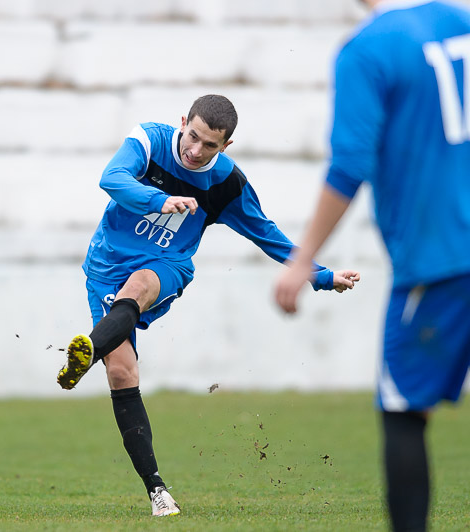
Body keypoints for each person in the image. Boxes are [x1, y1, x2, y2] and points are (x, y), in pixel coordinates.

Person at [56, 94, 360, 517]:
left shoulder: (227, 183)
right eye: (192, 137)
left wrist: (322, 276)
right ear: (183, 121)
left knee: (140, 285)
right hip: (105, 265)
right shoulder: (149, 140)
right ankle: (156, 489)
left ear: (225, 147)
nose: (195, 151)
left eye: (209, 146)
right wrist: (158, 200)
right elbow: (111, 178)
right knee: (123, 372)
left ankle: (88, 350)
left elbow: (265, 233)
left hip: (167, 264)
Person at [274, 1, 470, 530]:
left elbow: (350, 162)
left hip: (442, 263)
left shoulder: (368, 49)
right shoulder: (459, 22)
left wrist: (302, 259)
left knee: (403, 409)